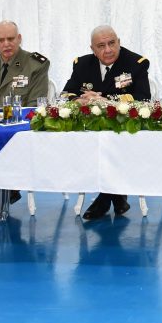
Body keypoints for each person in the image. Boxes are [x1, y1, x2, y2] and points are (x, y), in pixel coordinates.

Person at [64, 25, 151, 220]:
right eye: (101, 46)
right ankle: (117, 197)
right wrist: (80, 100)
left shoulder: (136, 63)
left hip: (125, 129)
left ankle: (104, 199)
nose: (108, 50)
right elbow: (67, 94)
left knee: (112, 145)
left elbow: (143, 98)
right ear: (93, 49)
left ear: (119, 42)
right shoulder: (82, 64)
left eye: (112, 43)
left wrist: (106, 101)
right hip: (91, 131)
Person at [0, 20, 51, 214]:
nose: (6, 44)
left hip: (18, 127)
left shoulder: (35, 65)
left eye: (11, 39)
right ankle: (2, 187)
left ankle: (7, 187)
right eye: (1, 40)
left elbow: (34, 106)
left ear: (19, 38)